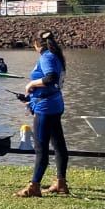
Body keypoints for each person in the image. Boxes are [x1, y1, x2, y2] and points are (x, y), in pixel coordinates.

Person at [17, 30, 69, 197]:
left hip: (45, 108)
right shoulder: (57, 56)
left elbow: (51, 78)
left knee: (41, 148)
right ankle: (61, 183)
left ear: (37, 45)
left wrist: (31, 83)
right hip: (55, 104)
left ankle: (34, 185)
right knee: (59, 144)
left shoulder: (46, 57)